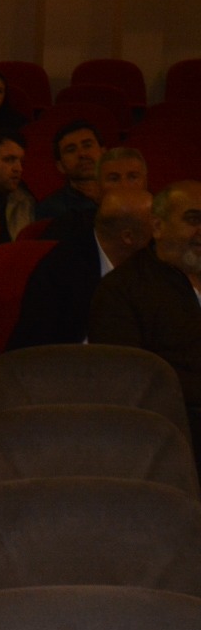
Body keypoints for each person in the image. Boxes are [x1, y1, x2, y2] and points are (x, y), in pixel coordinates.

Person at [88, 180, 201, 468]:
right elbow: (128, 379)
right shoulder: (122, 290)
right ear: (158, 227)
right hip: (170, 430)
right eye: (193, 220)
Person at [10, 187, 153, 350]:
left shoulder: (153, 265)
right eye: (154, 224)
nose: (160, 232)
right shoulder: (62, 270)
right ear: (128, 237)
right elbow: (42, 345)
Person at [33, 121, 104, 223]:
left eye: (87, 145)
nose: (82, 154)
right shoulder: (51, 209)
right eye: (71, 150)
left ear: (103, 152)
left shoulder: (125, 193)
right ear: (60, 166)